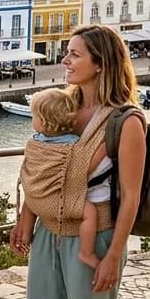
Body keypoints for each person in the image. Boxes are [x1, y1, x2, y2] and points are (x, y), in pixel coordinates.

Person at [9, 25, 147, 299]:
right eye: (67, 53)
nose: (65, 61)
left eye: (74, 54)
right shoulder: (63, 107)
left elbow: (131, 197)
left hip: (97, 235)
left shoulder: (126, 122)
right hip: (49, 231)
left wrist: (113, 255)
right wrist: (25, 216)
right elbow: (41, 168)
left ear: (101, 63)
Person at [22, 88, 109, 270]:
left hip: (35, 200)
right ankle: (86, 253)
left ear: (43, 121)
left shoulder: (33, 142)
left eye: (34, 116)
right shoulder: (73, 144)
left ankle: (26, 235)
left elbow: (31, 170)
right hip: (56, 202)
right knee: (90, 213)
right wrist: (103, 148)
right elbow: (84, 166)